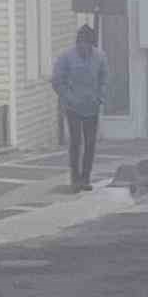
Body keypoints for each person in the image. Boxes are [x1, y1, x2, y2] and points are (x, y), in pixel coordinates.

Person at [51, 24, 108, 191]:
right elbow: (57, 80)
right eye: (81, 43)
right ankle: (75, 178)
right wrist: (67, 97)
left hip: (92, 106)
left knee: (90, 143)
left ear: (92, 44)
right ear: (77, 43)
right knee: (75, 142)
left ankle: (86, 177)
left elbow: (104, 78)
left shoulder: (100, 57)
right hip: (73, 107)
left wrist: (100, 97)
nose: (84, 47)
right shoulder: (66, 57)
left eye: (88, 44)